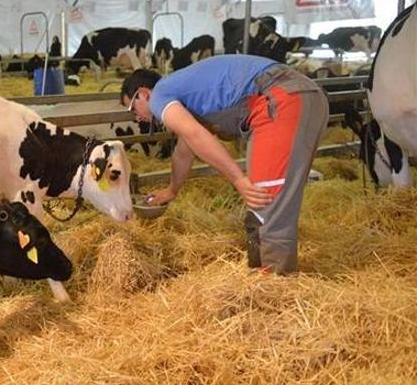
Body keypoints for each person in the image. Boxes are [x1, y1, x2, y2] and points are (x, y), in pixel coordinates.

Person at [120, 55, 328, 274]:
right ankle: (263, 274)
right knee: (272, 201)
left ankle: (274, 288)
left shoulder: (160, 94)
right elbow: (184, 151)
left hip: (281, 99)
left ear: (143, 94)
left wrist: (238, 179)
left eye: (132, 109)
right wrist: (172, 190)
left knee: (264, 203)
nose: (137, 118)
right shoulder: (185, 92)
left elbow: (195, 134)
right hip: (305, 96)